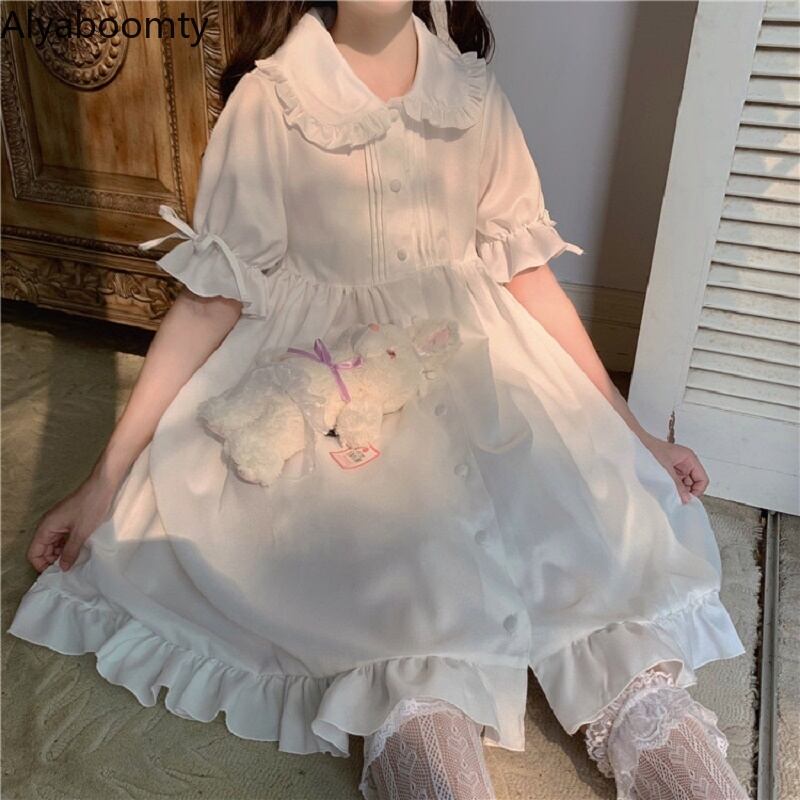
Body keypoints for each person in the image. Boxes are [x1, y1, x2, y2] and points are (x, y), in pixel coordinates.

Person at [8, 3, 751, 799]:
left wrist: (633, 432)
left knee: (605, 592)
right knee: (401, 624)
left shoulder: (470, 94)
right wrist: (104, 479)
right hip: (333, 385)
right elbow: (208, 301)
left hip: (480, 365)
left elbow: (525, 271)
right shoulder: (273, 101)